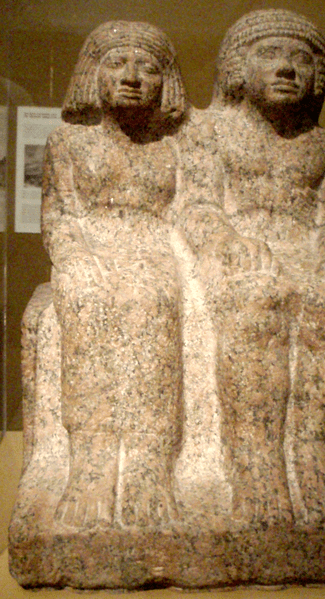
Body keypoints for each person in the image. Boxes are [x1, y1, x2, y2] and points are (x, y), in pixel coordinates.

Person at [181, 9, 325, 526]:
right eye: (270, 54)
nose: (286, 68)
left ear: (318, 78)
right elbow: (197, 207)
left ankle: (314, 462)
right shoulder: (209, 132)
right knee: (257, 298)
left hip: (305, 252)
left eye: (301, 59)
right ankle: (256, 465)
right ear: (239, 67)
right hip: (236, 251)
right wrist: (227, 241)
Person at [42, 21, 187, 529]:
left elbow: (188, 216)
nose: (131, 77)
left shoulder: (173, 148)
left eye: (147, 68)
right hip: (88, 245)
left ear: (166, 83)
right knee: (84, 298)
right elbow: (59, 216)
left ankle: (149, 466)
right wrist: (75, 256)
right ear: (92, 74)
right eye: (116, 63)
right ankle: (91, 464)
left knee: (153, 301)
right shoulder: (67, 142)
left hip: (155, 249)